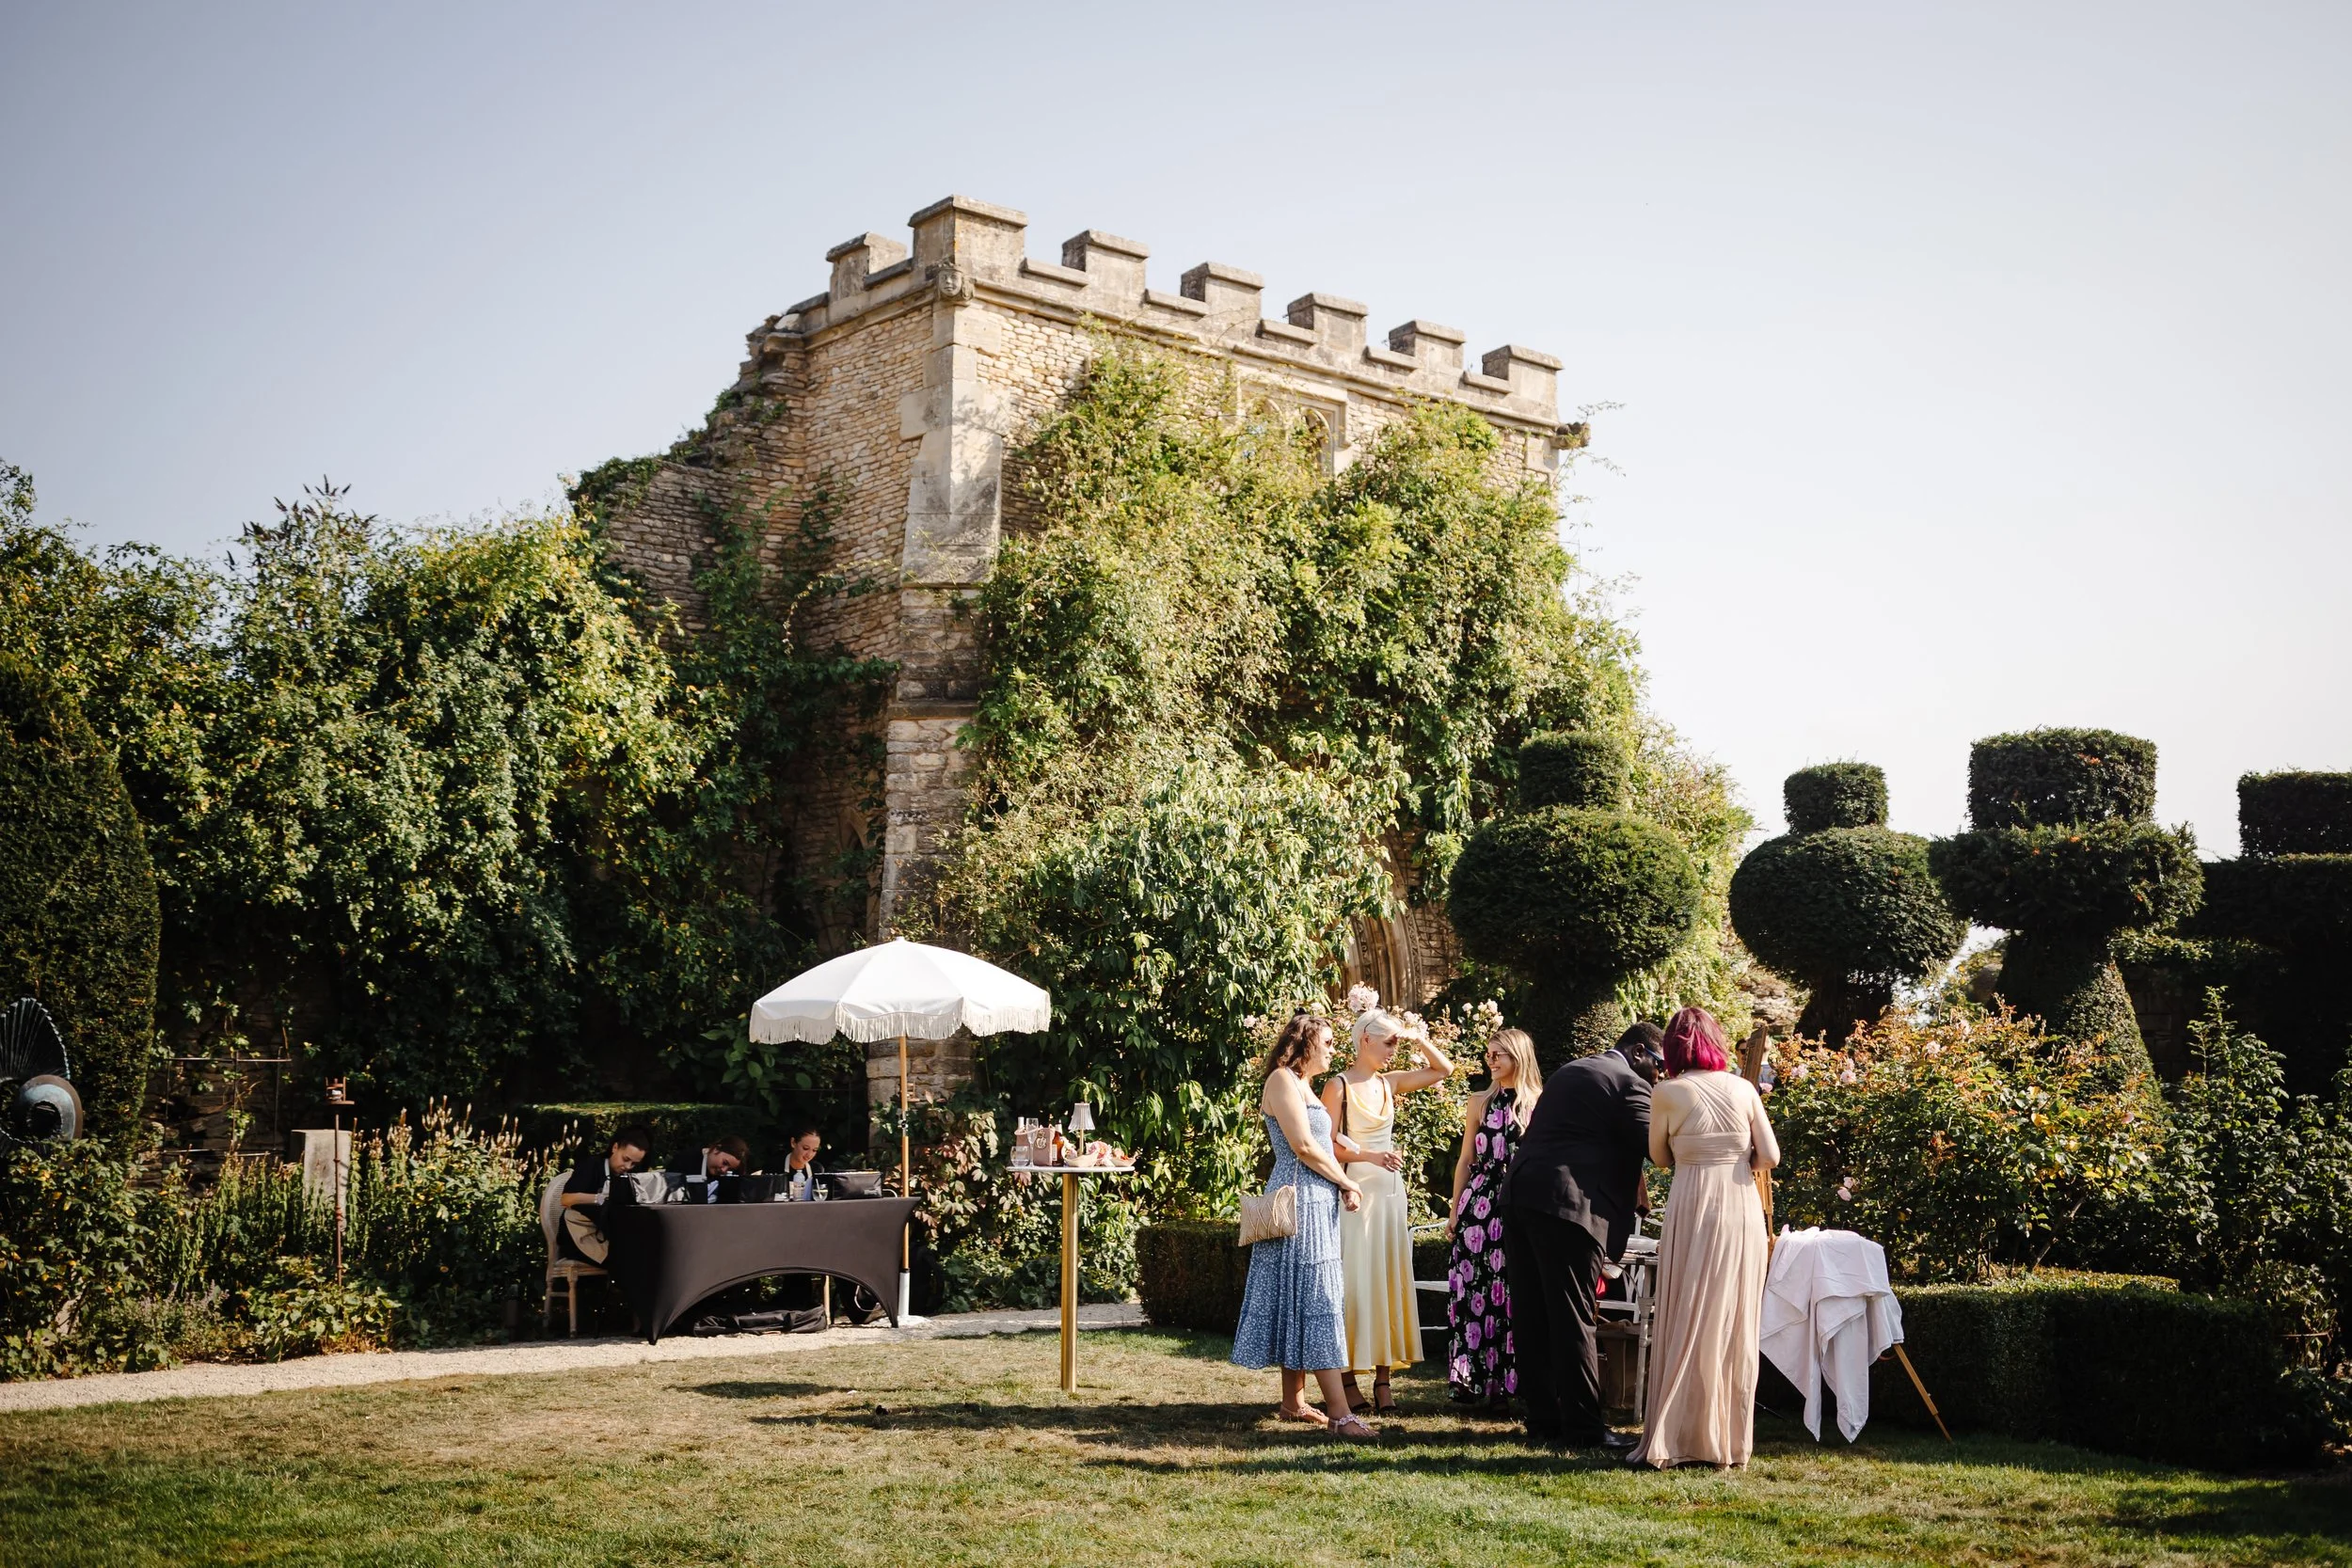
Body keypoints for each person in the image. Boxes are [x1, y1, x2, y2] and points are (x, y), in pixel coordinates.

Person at [1630, 1006, 1780, 1470]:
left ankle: (1680, 1434)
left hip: (1693, 1205)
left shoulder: (1667, 1092)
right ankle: (1728, 1443)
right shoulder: (1743, 1087)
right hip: (1740, 1209)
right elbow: (1769, 1156)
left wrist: (1693, 1152)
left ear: (1673, 1047)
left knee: (1688, 1311)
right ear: (1716, 1042)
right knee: (1732, 1318)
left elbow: (1657, 1158)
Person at [1499, 1027, 1655, 1452]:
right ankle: (1585, 1429)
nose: (1659, 1076)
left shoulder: (1573, 1069)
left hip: (1520, 1196)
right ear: (1638, 1051)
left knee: (1532, 1315)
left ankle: (1544, 1420)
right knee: (1573, 1318)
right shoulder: (1629, 1081)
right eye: (1658, 1064)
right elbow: (1655, 1146)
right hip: (1566, 1206)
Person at [1232, 1011, 1375, 1440]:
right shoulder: (1280, 1080)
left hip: (1317, 1199)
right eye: (1328, 1042)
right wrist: (1347, 1180)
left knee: (1301, 1296)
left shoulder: (1305, 1086)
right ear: (1306, 1043)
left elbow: (1324, 1147)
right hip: (1298, 1202)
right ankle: (1340, 1414)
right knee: (1318, 1299)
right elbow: (1303, 1145)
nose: (1333, 1050)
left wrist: (1343, 1184)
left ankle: (1293, 1403)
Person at [1323, 1007, 1454, 1415]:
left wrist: (1414, 1036)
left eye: (1397, 1044)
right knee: (1357, 1283)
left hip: (1391, 1197)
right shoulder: (1338, 1085)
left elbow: (1443, 1069)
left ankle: (1383, 1381)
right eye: (1389, 1042)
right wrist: (1372, 1157)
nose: (1394, 1051)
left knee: (1386, 1280)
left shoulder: (1388, 1083)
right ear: (1365, 1040)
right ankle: (1346, 1381)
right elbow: (1325, 1144)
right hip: (1354, 1195)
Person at [1442, 1025, 1543, 1406]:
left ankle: (1514, 1384)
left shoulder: (1538, 1103)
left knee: (1514, 1293)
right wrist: (1455, 1209)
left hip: (1519, 1202)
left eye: (1497, 1054)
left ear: (1517, 1056)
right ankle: (1473, 1381)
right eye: (1488, 1053)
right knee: (1474, 1290)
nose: (1490, 1060)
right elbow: (1466, 1159)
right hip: (1479, 1204)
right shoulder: (1479, 1102)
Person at [558, 1124, 653, 1264]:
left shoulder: (633, 1176)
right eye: (626, 1159)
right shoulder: (592, 1165)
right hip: (581, 1237)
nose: (627, 1167)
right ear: (615, 1148)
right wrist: (601, 1198)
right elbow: (566, 1199)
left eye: (633, 1164)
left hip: (612, 1234)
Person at [670, 1134, 752, 1201]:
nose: (724, 1170)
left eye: (730, 1169)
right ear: (716, 1149)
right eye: (725, 1163)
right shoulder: (684, 1160)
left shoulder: (731, 1178)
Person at [781, 1125, 823, 1200]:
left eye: (814, 1150)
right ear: (793, 1143)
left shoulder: (817, 1169)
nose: (809, 1155)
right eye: (805, 1148)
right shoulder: (775, 1167)